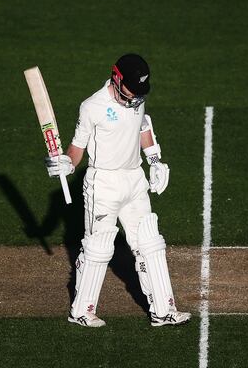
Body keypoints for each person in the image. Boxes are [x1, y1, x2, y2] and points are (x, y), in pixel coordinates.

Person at [45, 53, 191, 328]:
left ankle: (164, 310)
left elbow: (143, 125)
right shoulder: (92, 107)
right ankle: (81, 311)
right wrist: (66, 164)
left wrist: (155, 160)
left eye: (139, 92)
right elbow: (77, 148)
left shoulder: (136, 97)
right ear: (116, 77)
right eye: (130, 90)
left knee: (150, 243)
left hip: (134, 179)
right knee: (98, 248)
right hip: (103, 184)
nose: (135, 97)